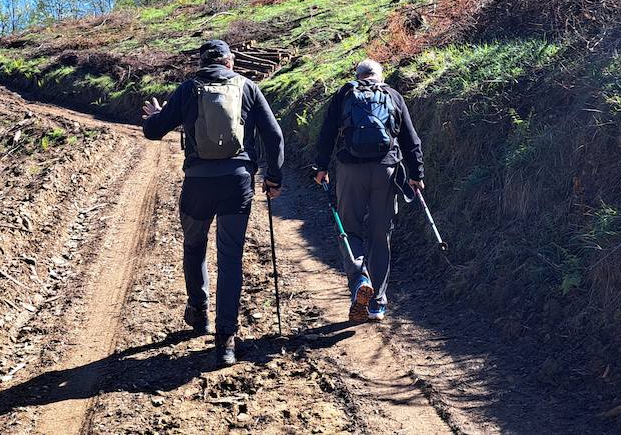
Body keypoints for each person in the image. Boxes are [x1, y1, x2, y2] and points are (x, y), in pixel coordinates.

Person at [141, 39, 284, 367]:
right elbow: (274, 135)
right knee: (231, 258)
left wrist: (156, 116)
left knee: (195, 246)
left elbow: (153, 132)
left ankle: (200, 312)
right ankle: (226, 342)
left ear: (201, 63)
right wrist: (274, 178)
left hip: (199, 183)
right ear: (230, 61)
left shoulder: (187, 89)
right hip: (237, 182)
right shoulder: (248, 87)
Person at [313, 58, 424, 323]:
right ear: (380, 77)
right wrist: (417, 175)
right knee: (380, 234)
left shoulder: (345, 93)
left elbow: (327, 132)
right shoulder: (393, 95)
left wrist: (320, 166)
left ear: (358, 75)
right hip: (386, 171)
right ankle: (377, 303)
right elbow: (410, 138)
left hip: (351, 170)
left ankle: (360, 280)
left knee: (348, 229)